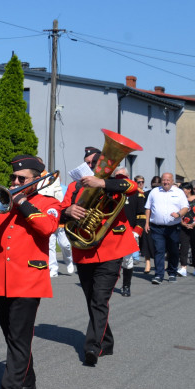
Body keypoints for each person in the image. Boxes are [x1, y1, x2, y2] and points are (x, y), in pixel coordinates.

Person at [0, 155, 60, 389]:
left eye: (22, 179)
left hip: (28, 279)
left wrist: (20, 200)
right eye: (13, 178)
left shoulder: (48, 202)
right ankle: (28, 381)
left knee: (20, 338)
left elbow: (46, 228)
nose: (15, 182)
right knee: (12, 336)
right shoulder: (1, 203)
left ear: (37, 180)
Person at [62, 146, 139, 365]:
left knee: (99, 299)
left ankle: (92, 348)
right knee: (93, 300)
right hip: (84, 250)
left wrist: (103, 183)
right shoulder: (74, 187)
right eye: (88, 162)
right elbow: (61, 211)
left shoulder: (117, 180)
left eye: (95, 161)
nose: (91, 165)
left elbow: (132, 188)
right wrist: (68, 212)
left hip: (112, 249)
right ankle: (106, 341)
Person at [145, 173, 189, 284]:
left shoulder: (179, 192)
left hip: (173, 227)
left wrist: (179, 214)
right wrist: (146, 223)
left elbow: (185, 207)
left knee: (173, 250)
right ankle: (159, 275)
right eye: (164, 180)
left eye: (168, 180)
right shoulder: (154, 192)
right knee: (159, 250)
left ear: (172, 180)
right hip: (157, 227)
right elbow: (148, 208)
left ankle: (172, 273)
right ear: (161, 181)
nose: (166, 182)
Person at [115, 168, 146, 296]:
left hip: (128, 231)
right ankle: (109, 285)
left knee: (128, 261)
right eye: (117, 177)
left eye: (122, 177)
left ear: (128, 177)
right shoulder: (110, 191)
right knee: (111, 261)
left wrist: (136, 231)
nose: (120, 180)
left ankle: (126, 286)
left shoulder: (137, 193)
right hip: (110, 232)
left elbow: (141, 215)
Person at [39, 176, 74, 277]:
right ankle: (53, 268)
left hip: (61, 223)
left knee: (65, 245)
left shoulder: (64, 188)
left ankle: (68, 260)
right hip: (50, 222)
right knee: (51, 245)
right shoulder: (44, 190)